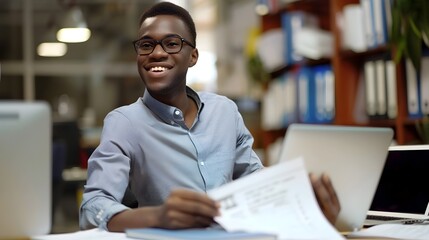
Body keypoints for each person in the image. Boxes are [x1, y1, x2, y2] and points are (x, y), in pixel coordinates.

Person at [79, 1, 340, 232]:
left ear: (192, 56)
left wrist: (301, 195)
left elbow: (255, 182)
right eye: (146, 45)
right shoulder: (124, 122)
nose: (157, 53)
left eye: (171, 43)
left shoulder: (224, 111)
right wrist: (157, 216)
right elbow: (93, 207)